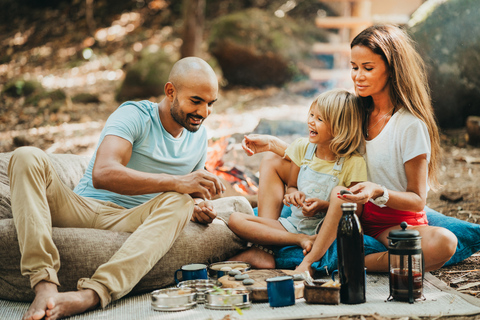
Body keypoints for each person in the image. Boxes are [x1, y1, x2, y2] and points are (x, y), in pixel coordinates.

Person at [8, 57, 225, 320]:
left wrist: (199, 206)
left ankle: (92, 294)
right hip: (83, 209)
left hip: (132, 220)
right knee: (26, 156)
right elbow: (103, 173)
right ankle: (45, 286)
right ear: (171, 92)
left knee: (181, 203)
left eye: (210, 103)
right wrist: (177, 182)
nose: (204, 112)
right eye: (196, 101)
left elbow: (185, 195)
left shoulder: (198, 137)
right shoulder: (135, 115)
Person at [237, 24, 457, 273]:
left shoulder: (410, 125)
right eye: (354, 67)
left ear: (393, 70)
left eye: (368, 68)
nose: (358, 76)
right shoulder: (356, 112)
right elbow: (319, 155)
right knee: (273, 161)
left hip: (391, 223)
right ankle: (265, 245)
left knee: (445, 242)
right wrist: (273, 144)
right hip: (352, 211)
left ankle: (345, 262)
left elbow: (417, 200)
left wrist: (377, 191)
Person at [228, 89, 367, 275]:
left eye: (320, 119)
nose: (311, 121)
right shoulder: (304, 149)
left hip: (322, 228)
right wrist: (293, 194)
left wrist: (324, 206)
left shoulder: (353, 162)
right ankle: (295, 241)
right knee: (235, 219)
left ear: (340, 128)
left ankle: (308, 259)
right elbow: (292, 185)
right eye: (311, 114)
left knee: (341, 193)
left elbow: (355, 210)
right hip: (292, 225)